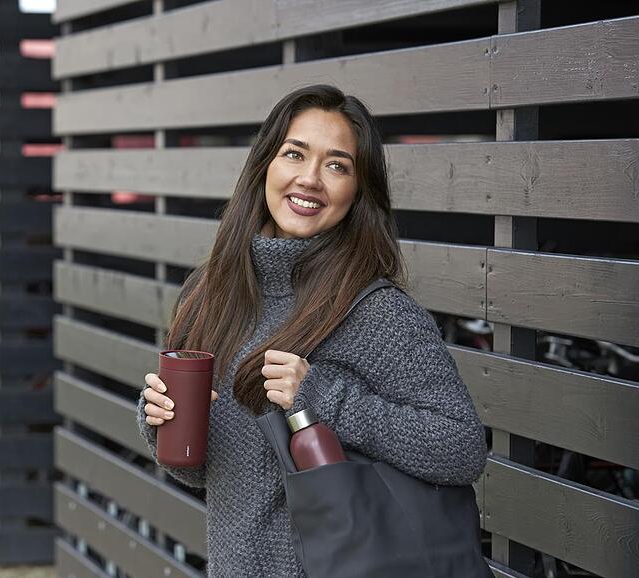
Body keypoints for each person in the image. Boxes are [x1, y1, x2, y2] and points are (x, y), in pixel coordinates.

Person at [137, 84, 487, 577]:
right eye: (294, 154)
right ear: (264, 165)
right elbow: (205, 473)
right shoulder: (212, 294)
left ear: (358, 191)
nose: (310, 179)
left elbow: (462, 447)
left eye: (337, 165)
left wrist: (326, 398)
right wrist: (163, 423)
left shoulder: (378, 312)